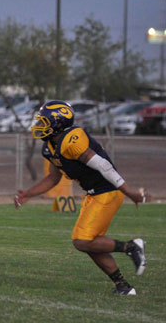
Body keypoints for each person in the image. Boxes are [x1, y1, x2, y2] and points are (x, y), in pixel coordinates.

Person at [14, 100, 149, 295]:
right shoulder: (50, 146)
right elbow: (53, 177)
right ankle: (123, 286)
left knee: (81, 240)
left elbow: (103, 166)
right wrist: (28, 194)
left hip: (107, 192)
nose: (39, 126)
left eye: (44, 122)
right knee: (89, 243)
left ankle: (131, 247)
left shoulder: (73, 139)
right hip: (94, 194)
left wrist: (130, 192)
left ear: (57, 122)